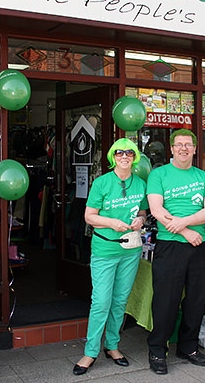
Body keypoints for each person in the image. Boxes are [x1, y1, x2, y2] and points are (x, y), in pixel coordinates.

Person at [72, 138, 148, 376]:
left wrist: (140, 219)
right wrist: (112, 222)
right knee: (101, 302)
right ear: (113, 157)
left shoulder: (140, 183)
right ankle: (90, 351)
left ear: (134, 157)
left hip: (131, 251)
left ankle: (112, 346)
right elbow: (89, 216)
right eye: (119, 153)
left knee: (119, 301)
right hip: (105, 250)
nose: (124, 156)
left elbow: (143, 210)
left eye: (128, 153)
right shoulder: (102, 182)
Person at [146, 129, 205, 375]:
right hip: (171, 245)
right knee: (165, 300)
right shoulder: (159, 174)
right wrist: (186, 231)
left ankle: (188, 347)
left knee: (196, 300)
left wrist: (183, 224)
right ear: (172, 149)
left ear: (195, 149)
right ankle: (157, 349)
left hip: (198, 248)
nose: (184, 148)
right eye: (179, 144)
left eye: (189, 144)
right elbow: (156, 208)